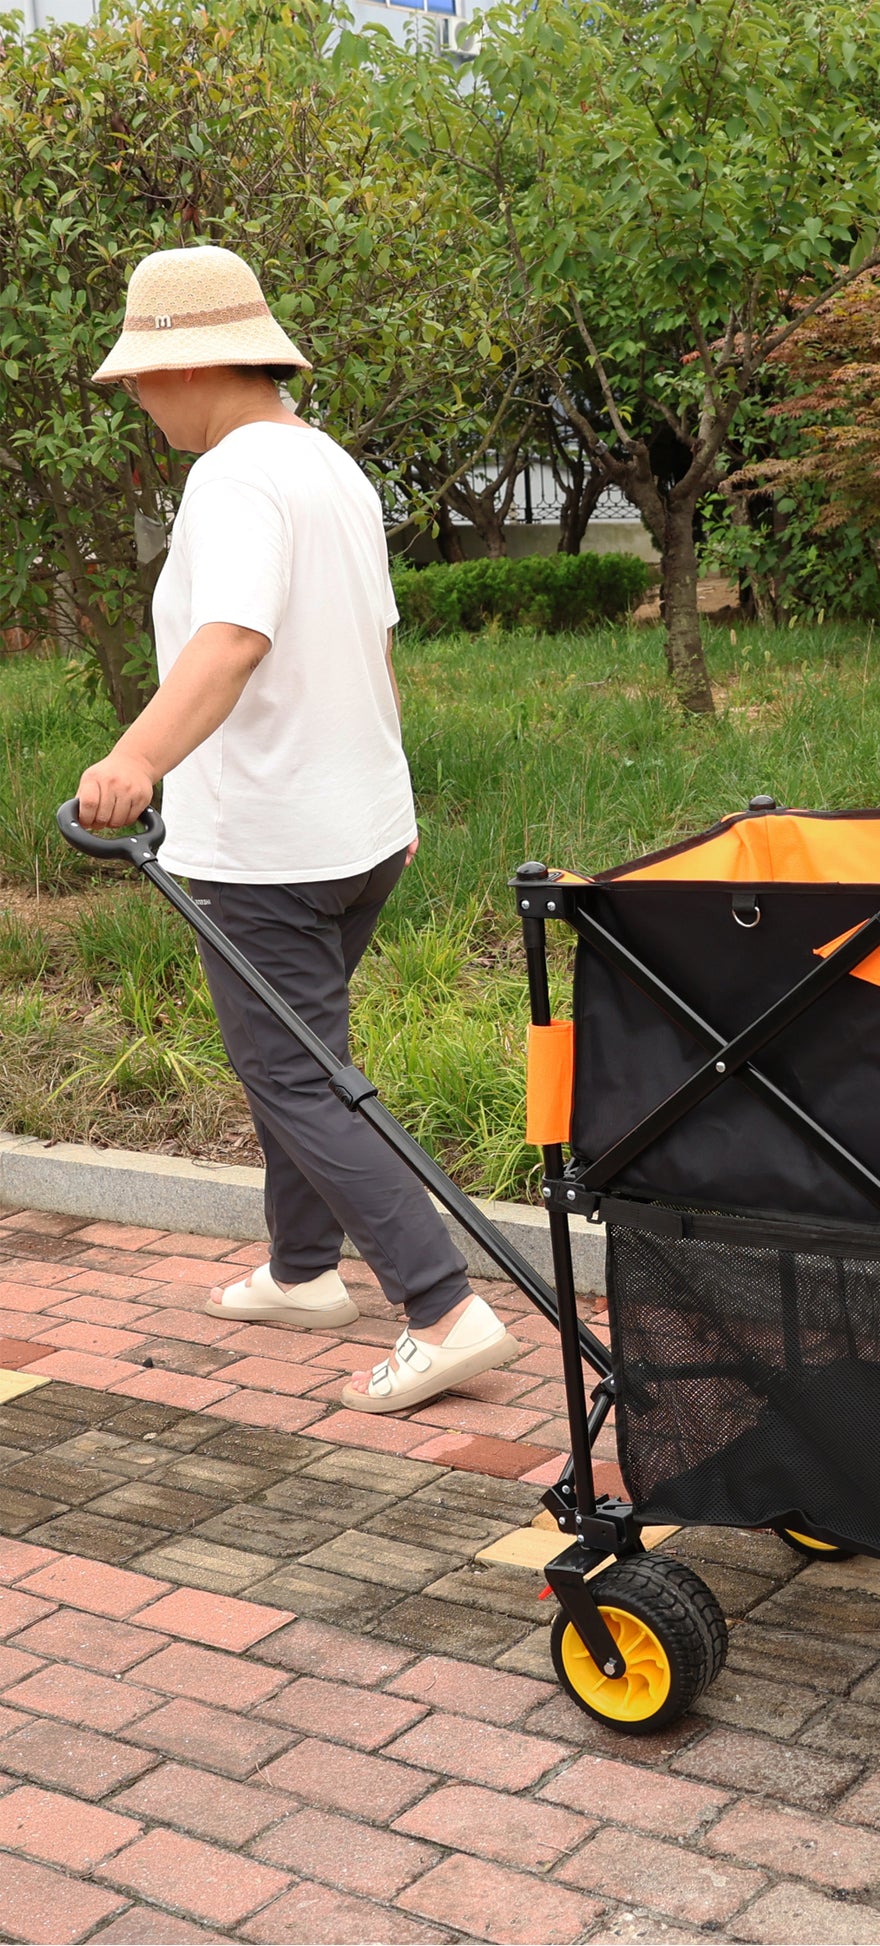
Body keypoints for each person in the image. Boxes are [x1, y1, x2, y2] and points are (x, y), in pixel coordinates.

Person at [76, 244, 516, 1414]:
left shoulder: (231, 480)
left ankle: (441, 1305)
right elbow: (370, 646)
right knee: (301, 1058)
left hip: (265, 843)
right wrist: (397, 793)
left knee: (294, 1073)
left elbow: (230, 642)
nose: (137, 403)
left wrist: (134, 760)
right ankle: (302, 1270)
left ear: (194, 366)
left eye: (141, 382)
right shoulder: (330, 467)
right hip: (357, 834)